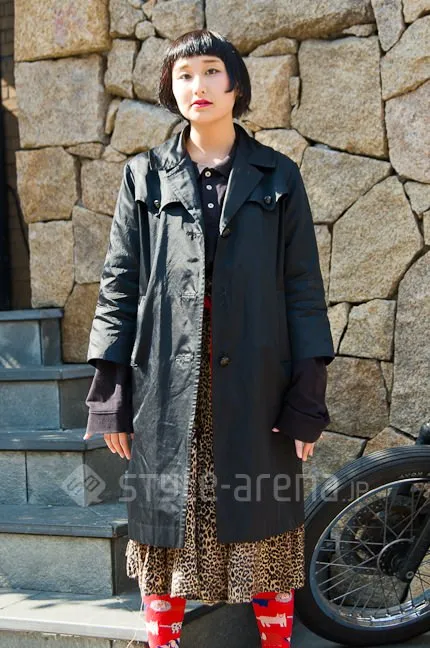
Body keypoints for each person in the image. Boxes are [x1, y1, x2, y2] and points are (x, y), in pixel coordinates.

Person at [84, 28, 335, 648]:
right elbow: (119, 285)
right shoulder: (143, 176)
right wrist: (110, 395)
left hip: (258, 383)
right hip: (166, 384)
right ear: (171, 90)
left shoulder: (279, 177)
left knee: (266, 529)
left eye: (211, 71)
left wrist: (307, 399)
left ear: (235, 84)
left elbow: (303, 291)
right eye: (184, 75)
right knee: (162, 529)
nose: (198, 85)